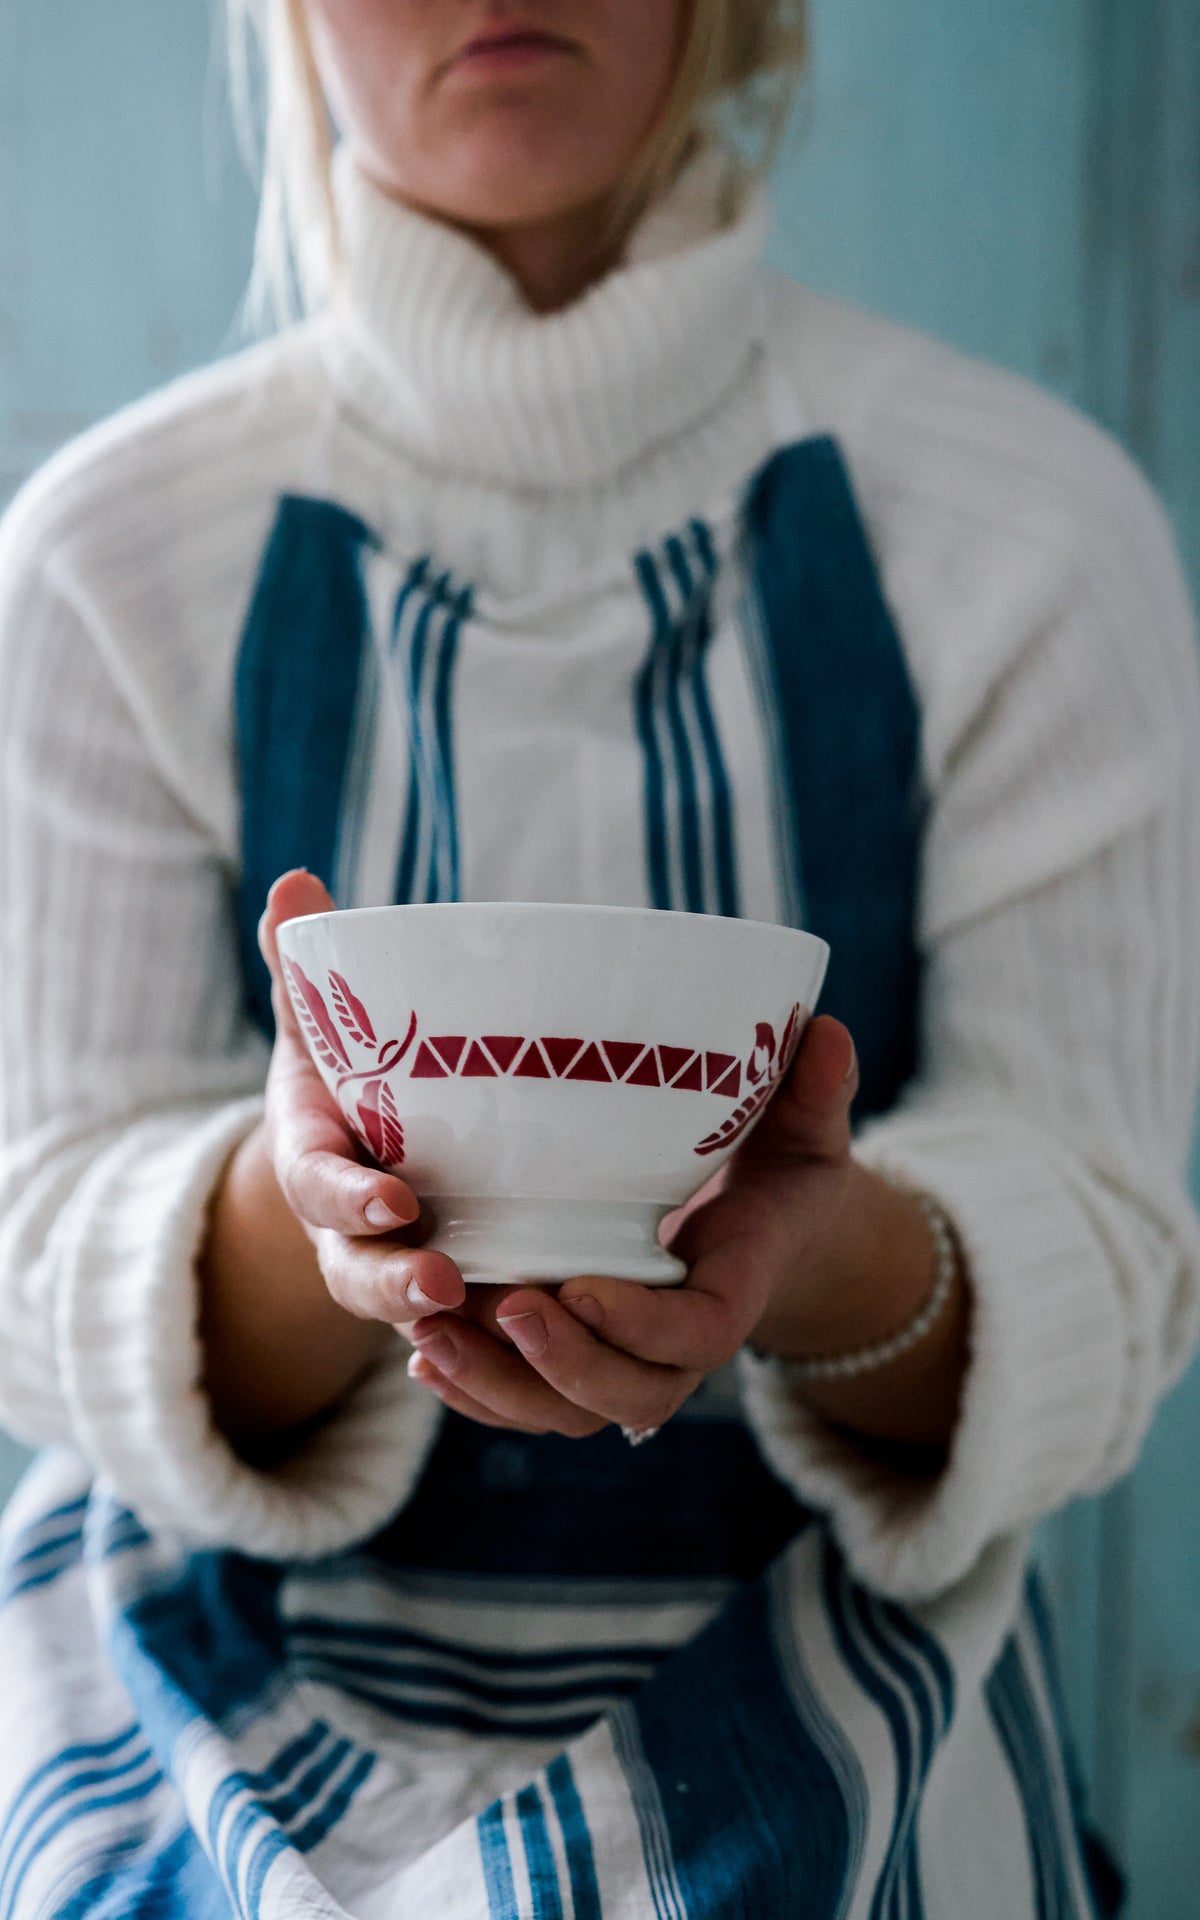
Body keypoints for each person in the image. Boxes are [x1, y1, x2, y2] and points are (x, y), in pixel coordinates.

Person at [0, 0, 1197, 1913]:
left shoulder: (1034, 537)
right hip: (208, 1692)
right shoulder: (103, 558)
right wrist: (317, 1228)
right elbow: (37, 1244)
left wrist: (807, 1260)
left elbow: (1114, 1257)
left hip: (842, 1677)